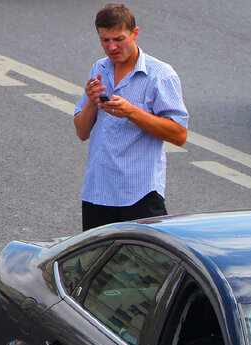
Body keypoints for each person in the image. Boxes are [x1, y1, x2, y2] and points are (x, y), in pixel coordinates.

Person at [73, 4, 188, 231]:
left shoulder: (160, 75)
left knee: (145, 266)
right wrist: (91, 101)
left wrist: (132, 112)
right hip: (98, 192)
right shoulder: (100, 68)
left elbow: (179, 134)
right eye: (105, 40)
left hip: (139, 195)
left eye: (118, 39)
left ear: (135, 33)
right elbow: (81, 132)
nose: (112, 47)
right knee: (97, 266)